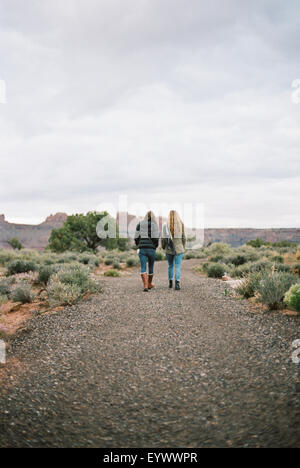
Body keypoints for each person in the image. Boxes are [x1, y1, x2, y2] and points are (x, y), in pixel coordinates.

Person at [134, 211, 160, 292]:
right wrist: (155, 246)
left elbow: (136, 237)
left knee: (143, 267)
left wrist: (139, 244)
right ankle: (149, 283)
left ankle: (145, 286)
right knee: (151, 267)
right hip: (151, 249)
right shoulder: (154, 225)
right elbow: (156, 238)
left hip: (142, 249)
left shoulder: (140, 224)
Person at [162, 210, 186, 290]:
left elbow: (164, 238)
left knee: (170, 266)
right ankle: (177, 284)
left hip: (169, 249)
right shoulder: (181, 224)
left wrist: (163, 246)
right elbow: (184, 237)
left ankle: (170, 283)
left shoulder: (165, 225)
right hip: (179, 249)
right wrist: (183, 247)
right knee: (178, 266)